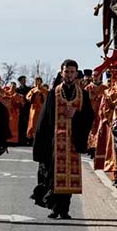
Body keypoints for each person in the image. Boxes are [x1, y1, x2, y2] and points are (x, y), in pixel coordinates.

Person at [31, 60, 95, 219]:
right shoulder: (54, 93)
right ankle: (54, 207)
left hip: (73, 142)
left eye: (72, 72)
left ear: (76, 74)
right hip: (55, 142)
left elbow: (89, 117)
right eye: (66, 72)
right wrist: (41, 142)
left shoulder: (82, 94)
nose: (69, 75)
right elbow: (44, 119)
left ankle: (65, 208)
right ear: (61, 73)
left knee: (69, 177)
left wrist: (76, 115)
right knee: (53, 174)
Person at [25, 77, 47, 144]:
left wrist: (42, 95)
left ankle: (41, 138)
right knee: (33, 124)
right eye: (36, 81)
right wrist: (33, 95)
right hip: (34, 109)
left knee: (41, 123)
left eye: (39, 81)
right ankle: (32, 138)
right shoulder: (32, 90)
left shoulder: (45, 90)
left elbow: (47, 98)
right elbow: (27, 98)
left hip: (41, 109)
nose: (37, 82)